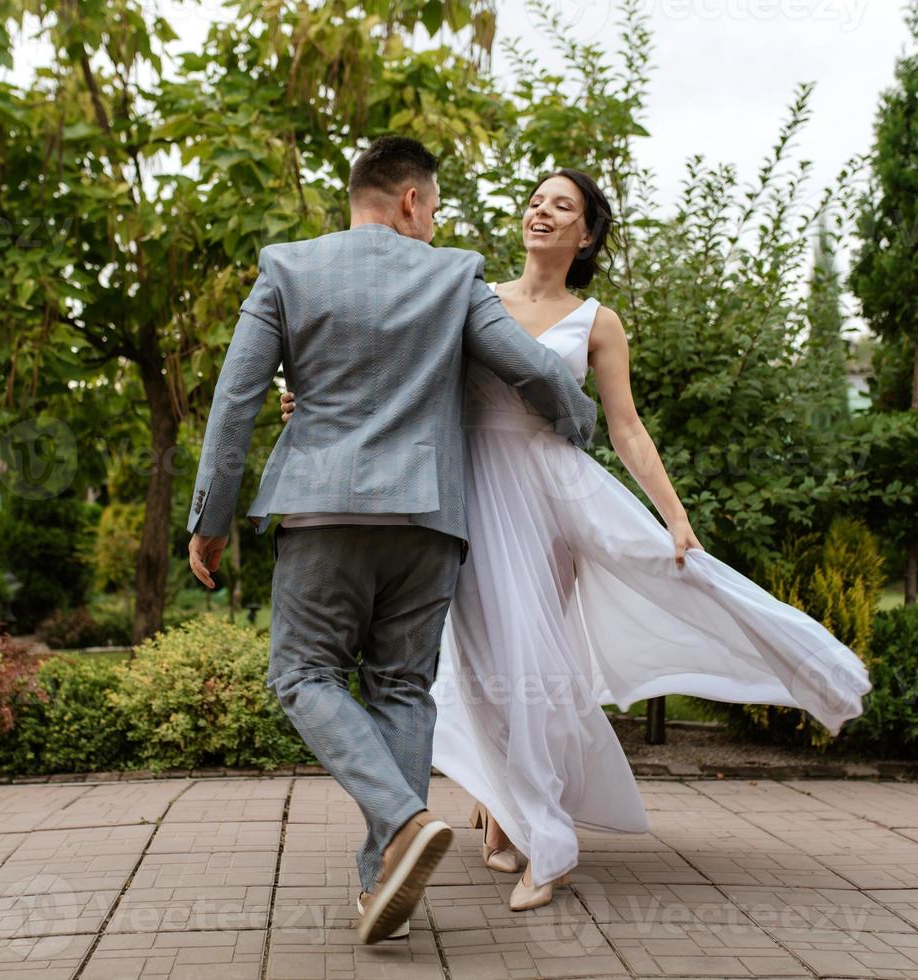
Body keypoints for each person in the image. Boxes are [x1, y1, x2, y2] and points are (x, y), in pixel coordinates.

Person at [280, 167, 872, 912]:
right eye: (534, 201)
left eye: (561, 206)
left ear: (586, 233)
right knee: (483, 665)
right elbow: (394, 377)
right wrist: (315, 398)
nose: (541, 212)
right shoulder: (472, 294)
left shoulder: (598, 321)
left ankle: (548, 843)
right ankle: (507, 806)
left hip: (551, 499)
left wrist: (675, 515)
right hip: (469, 494)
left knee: (533, 662)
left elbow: (624, 426)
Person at [185, 136, 599, 943]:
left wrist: (210, 518)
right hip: (428, 522)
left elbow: (236, 402)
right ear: (412, 201)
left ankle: (403, 821)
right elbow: (538, 374)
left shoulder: (287, 269)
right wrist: (577, 431)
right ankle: (383, 885)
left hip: (323, 513)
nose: (436, 223)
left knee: (302, 673)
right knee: (403, 690)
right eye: (436, 209)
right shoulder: (455, 276)